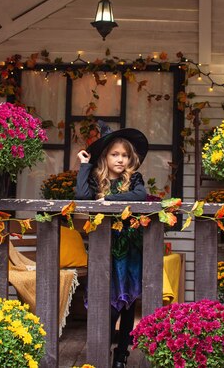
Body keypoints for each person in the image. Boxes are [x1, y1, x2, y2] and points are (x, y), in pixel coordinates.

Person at [75, 125, 148, 368]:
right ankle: (101, 350)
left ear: (131, 159)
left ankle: (121, 355)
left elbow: (139, 197)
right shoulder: (97, 180)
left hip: (130, 248)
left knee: (128, 304)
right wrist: (85, 165)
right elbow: (83, 196)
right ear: (105, 156)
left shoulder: (134, 180)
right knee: (107, 302)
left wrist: (108, 200)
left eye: (125, 155)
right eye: (115, 154)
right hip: (104, 250)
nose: (120, 159)